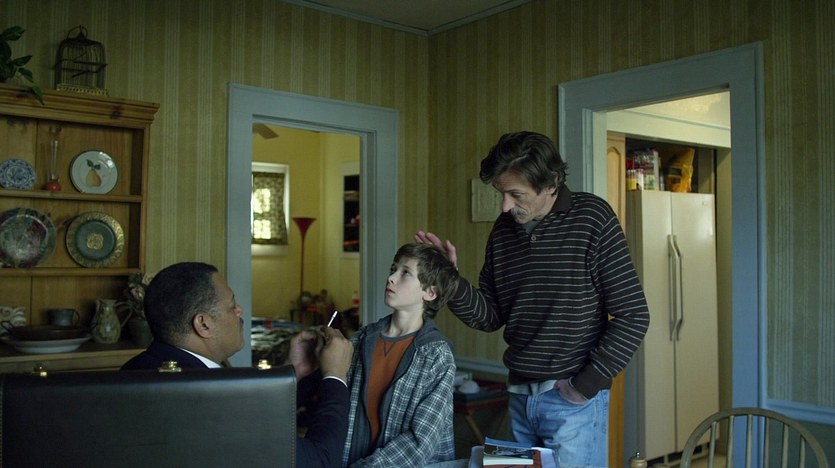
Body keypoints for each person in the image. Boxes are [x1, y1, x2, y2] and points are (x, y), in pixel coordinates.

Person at [416, 131, 650, 467]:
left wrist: (585, 385)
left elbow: (634, 314)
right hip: (518, 398)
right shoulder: (503, 230)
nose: (505, 206)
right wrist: (451, 281)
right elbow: (490, 316)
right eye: (501, 193)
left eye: (516, 194)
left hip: (572, 403)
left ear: (551, 184)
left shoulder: (592, 218)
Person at [121, 262, 353, 467]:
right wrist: (335, 376)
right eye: (232, 305)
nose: (240, 310)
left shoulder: (132, 371)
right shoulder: (218, 400)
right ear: (203, 324)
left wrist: (292, 372)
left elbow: (255, 418)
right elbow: (321, 461)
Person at [341, 243, 459, 467]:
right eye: (393, 269)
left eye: (405, 273)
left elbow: (421, 442)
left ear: (430, 292)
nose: (391, 278)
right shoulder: (362, 339)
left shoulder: (436, 354)